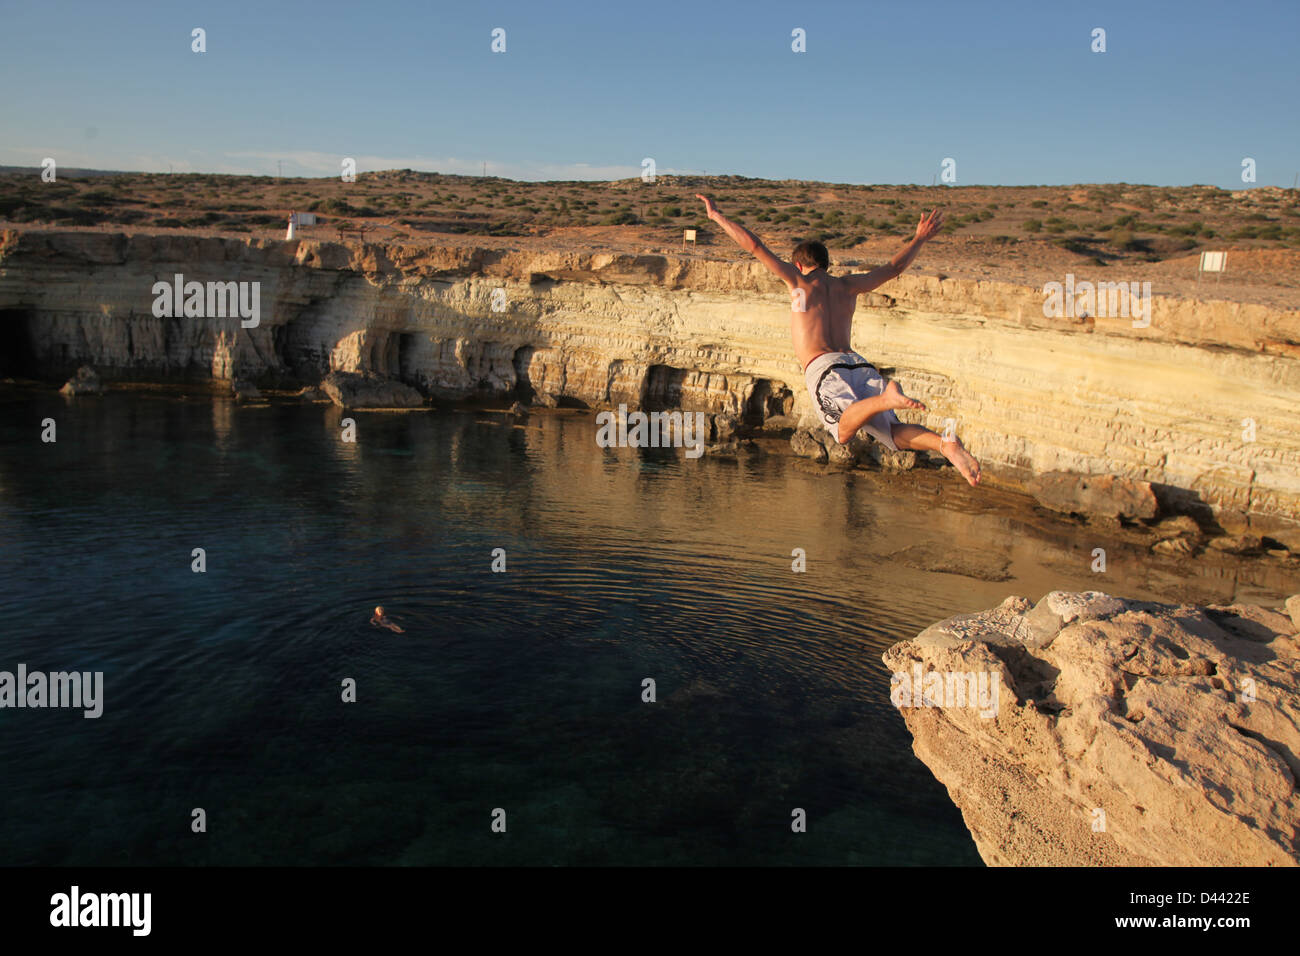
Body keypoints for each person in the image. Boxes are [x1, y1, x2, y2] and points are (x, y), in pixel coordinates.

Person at [696, 194, 980, 487]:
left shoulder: (798, 283)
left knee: (843, 434)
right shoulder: (848, 286)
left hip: (824, 366)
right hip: (857, 364)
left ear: (798, 263)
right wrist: (919, 239)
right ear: (827, 264)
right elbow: (893, 268)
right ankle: (943, 445)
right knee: (893, 433)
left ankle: (884, 399)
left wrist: (716, 216)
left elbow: (754, 246)